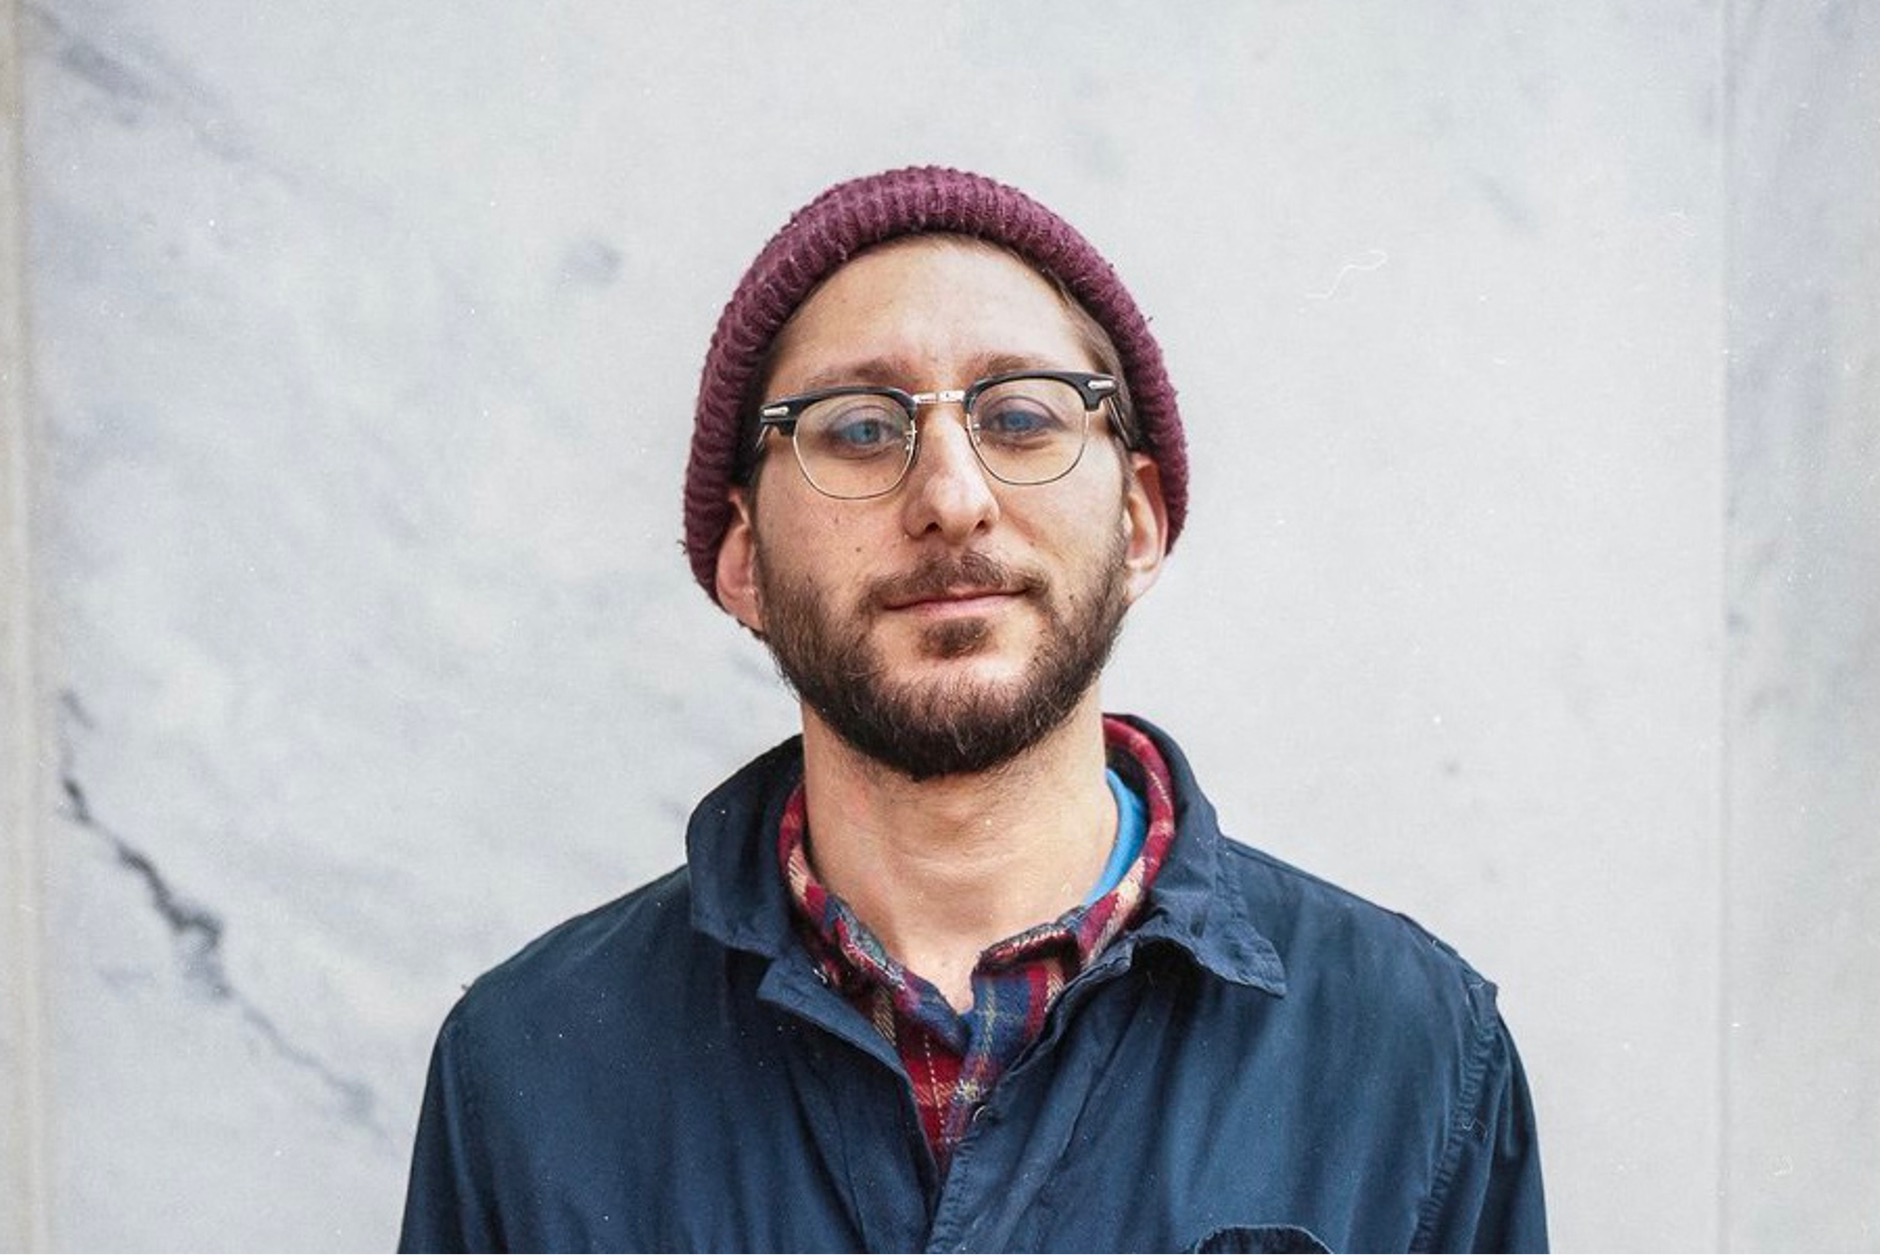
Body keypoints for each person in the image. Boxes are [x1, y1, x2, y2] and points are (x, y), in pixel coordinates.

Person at [398, 166, 1548, 1253]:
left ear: (1139, 521)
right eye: (858, 427)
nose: (952, 497)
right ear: (743, 559)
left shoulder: (1416, 1052)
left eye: (1023, 417)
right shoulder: (526, 1068)